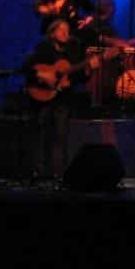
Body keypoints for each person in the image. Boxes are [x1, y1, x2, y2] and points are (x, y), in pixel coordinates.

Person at [22, 20, 98, 180]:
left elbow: (77, 78)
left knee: (60, 137)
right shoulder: (43, 49)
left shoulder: (73, 51)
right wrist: (42, 75)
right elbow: (27, 69)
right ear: (52, 33)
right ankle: (39, 173)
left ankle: (59, 175)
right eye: (61, 30)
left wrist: (88, 69)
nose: (65, 33)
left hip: (62, 100)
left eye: (67, 30)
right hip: (42, 98)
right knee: (42, 135)